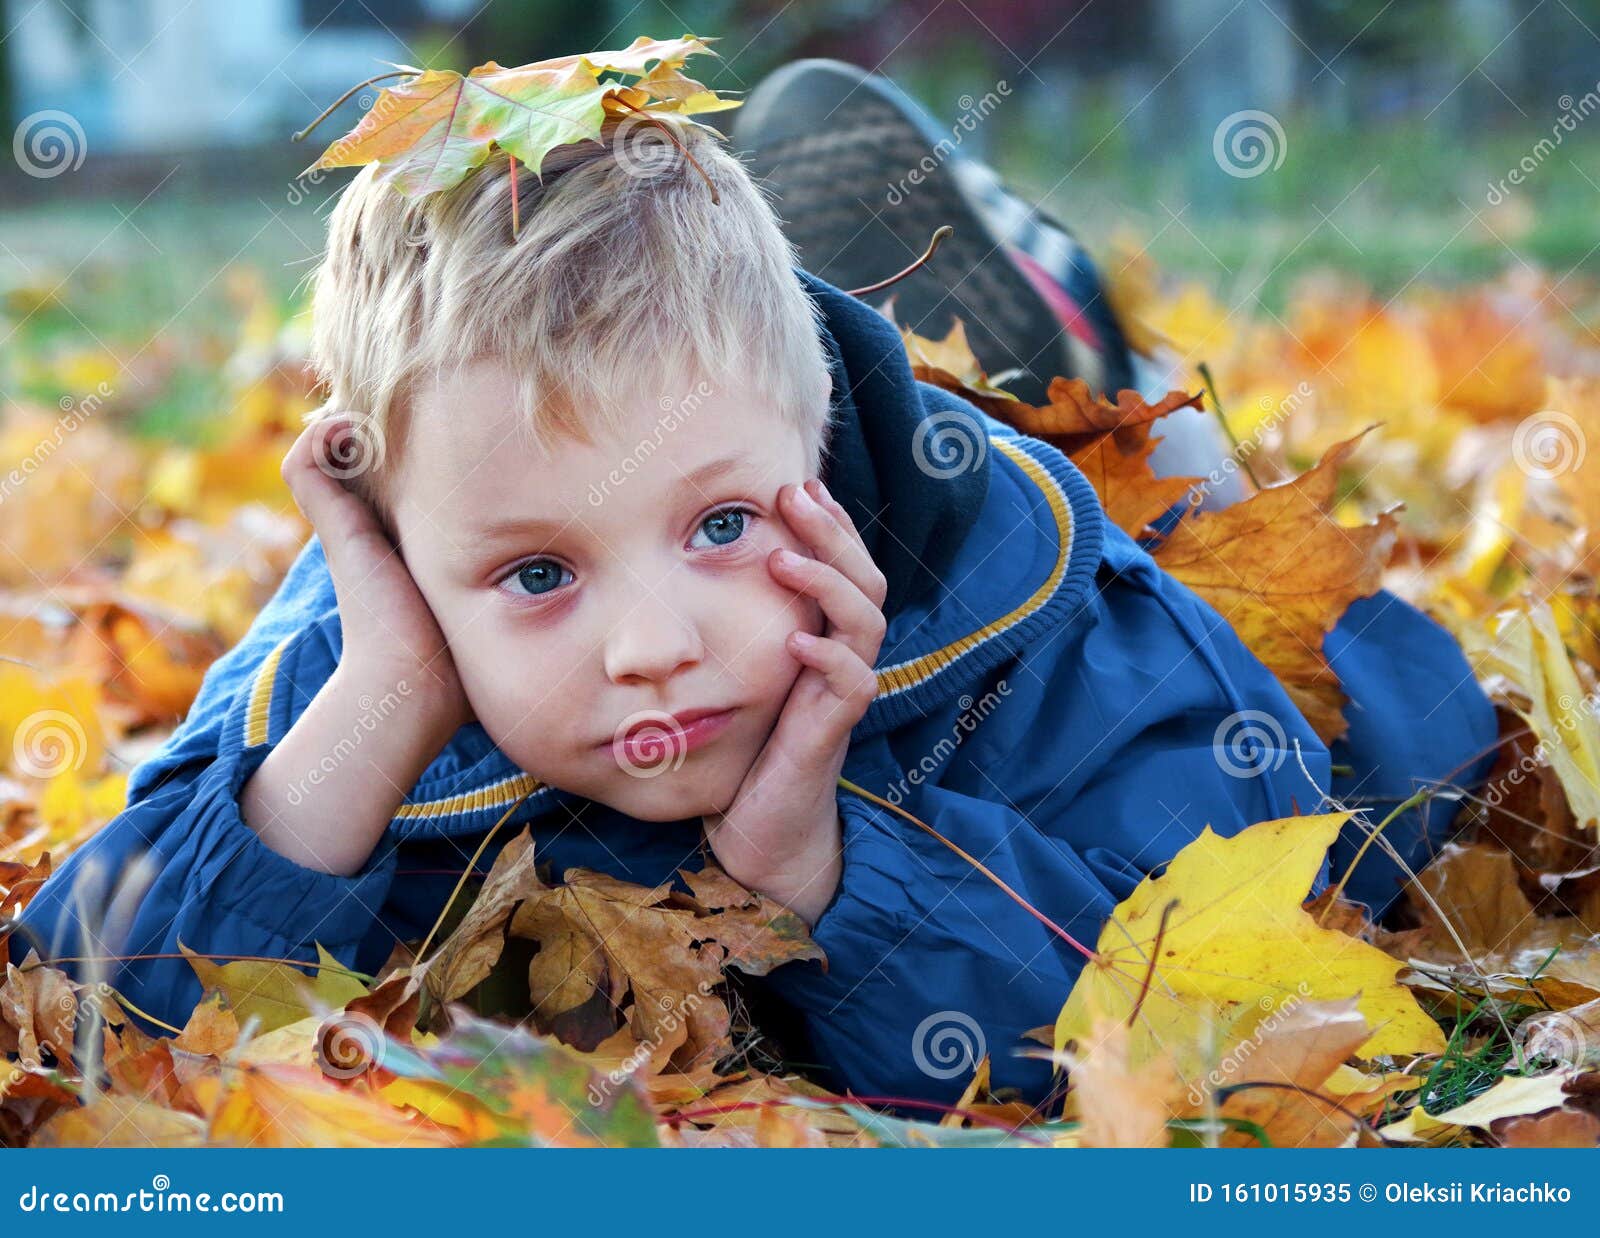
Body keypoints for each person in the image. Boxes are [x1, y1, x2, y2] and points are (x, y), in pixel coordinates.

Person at [9, 56, 1496, 1107]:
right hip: (635, 448)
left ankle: (1094, 372)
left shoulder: (1034, 626)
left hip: (1090, 560)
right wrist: (379, 708)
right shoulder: (366, 636)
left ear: (824, 448)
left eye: (722, 527)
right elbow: (87, 1012)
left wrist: (836, 867)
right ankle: (847, 292)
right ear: (399, 553)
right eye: (539, 571)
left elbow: (1226, 998)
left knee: (1379, 730)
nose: (654, 647)